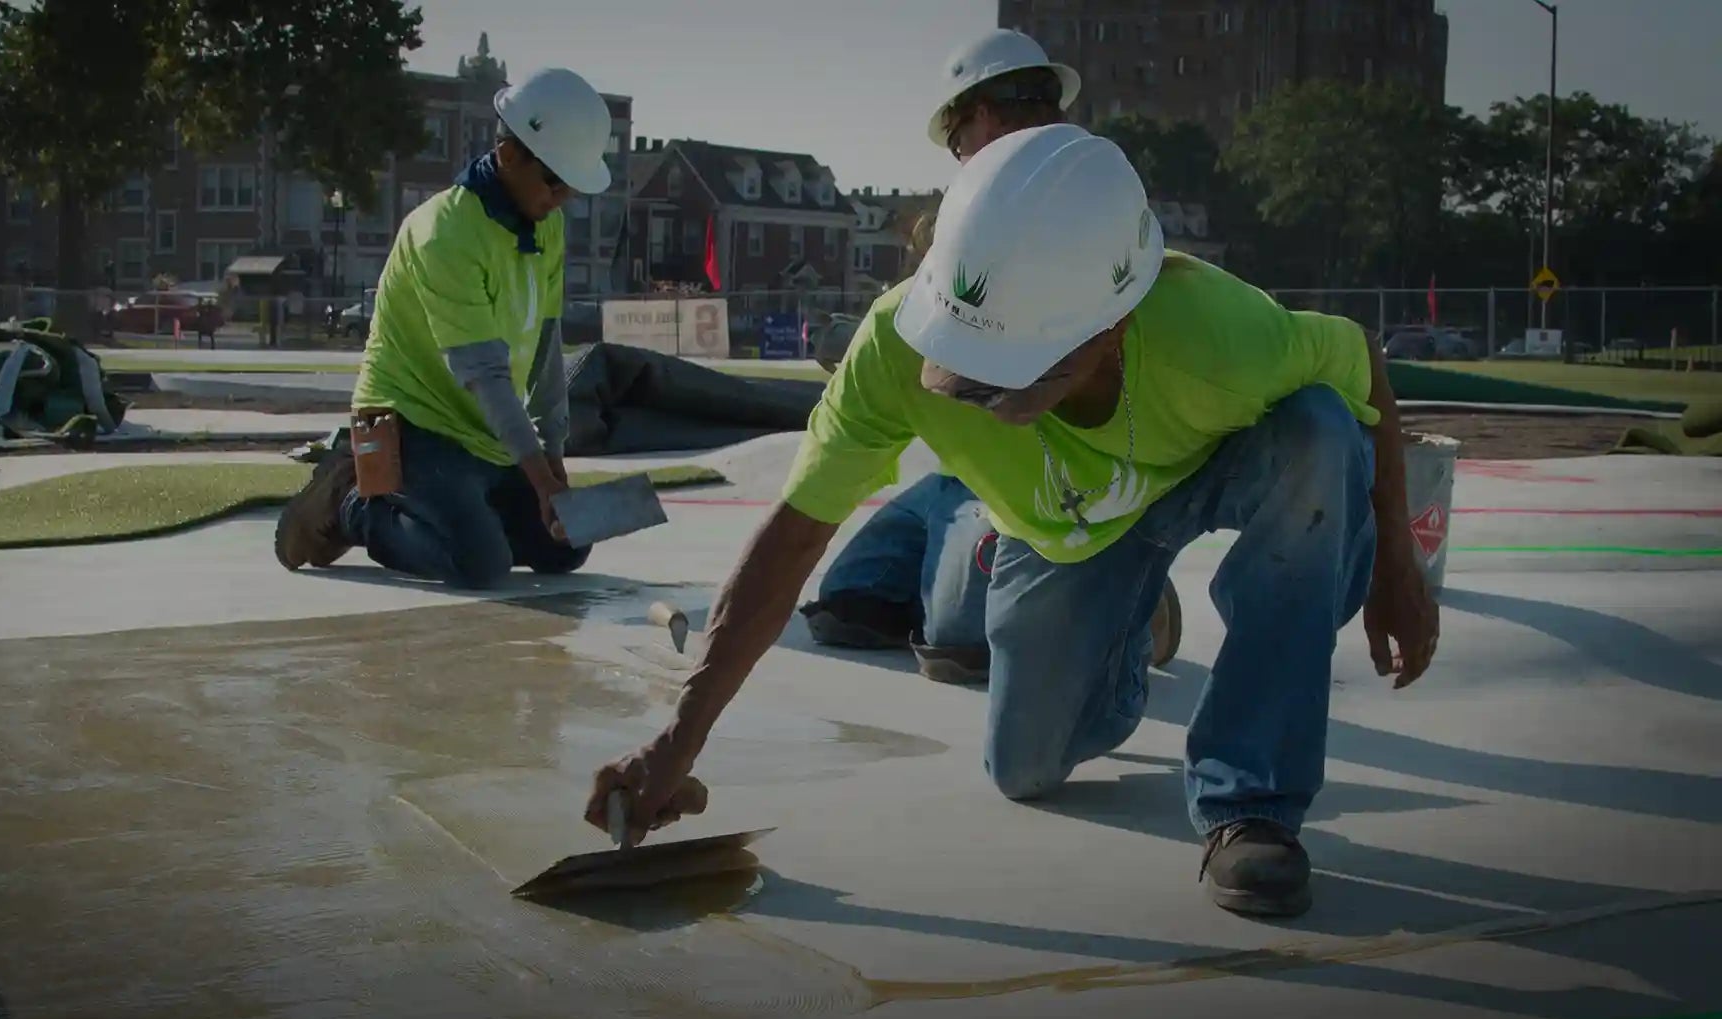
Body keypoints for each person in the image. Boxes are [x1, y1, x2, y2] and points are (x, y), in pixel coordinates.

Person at [586, 125, 1440, 918]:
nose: (993, 404)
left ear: (1117, 323)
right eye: (971, 374)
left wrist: (1396, 570)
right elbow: (793, 537)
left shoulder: (1219, 333)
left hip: (1212, 466)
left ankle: (1250, 802)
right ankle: (1131, 628)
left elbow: (1361, 364)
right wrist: (677, 738)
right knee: (1024, 769)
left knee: (1321, 434)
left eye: (1020, 375)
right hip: (1073, 537)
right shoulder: (891, 351)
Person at [800, 28, 1180, 684]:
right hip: (956, 476)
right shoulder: (973, 213)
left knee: (959, 648)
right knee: (847, 611)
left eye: (956, 142)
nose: (958, 159)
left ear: (981, 117)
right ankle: (952, 565)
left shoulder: (1082, 207)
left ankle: (1117, 590)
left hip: (1034, 479)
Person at [273, 67, 614, 588]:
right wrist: (539, 482)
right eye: (553, 180)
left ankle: (462, 519)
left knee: (566, 546)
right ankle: (350, 500)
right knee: (480, 565)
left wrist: (553, 456)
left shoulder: (549, 227)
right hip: (413, 424)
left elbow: (546, 346)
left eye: (571, 187)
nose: (561, 197)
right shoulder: (445, 233)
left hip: (479, 431)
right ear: (508, 156)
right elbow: (484, 373)